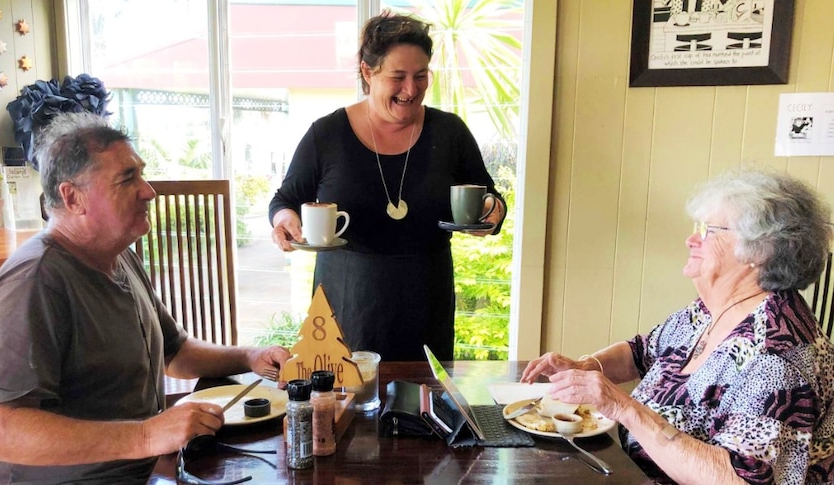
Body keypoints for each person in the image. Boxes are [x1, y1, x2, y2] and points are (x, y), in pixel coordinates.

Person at [0, 112, 291, 484]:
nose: (148, 191)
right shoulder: (34, 283)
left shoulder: (119, 255)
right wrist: (147, 436)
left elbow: (176, 354)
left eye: (140, 173)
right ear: (72, 197)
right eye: (127, 179)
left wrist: (249, 356)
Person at [521, 169, 834, 484]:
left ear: (759, 250)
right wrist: (587, 366)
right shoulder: (707, 311)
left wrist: (623, 407)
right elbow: (642, 352)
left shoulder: (778, 356)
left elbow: (739, 479)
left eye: (709, 230)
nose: (691, 239)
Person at [269, 11, 506, 362]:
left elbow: (490, 199)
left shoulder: (450, 132)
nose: (411, 90)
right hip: (346, 300)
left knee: (423, 406)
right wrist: (284, 220)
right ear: (368, 71)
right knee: (344, 404)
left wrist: (492, 211)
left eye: (421, 76)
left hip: (426, 298)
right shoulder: (328, 134)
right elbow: (285, 199)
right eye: (398, 77)